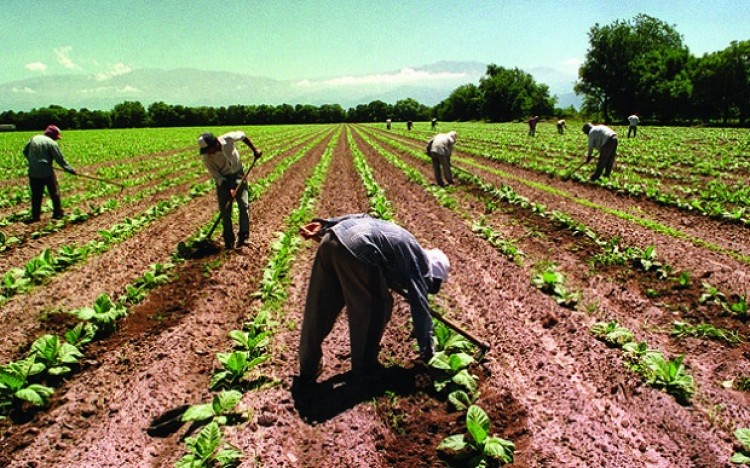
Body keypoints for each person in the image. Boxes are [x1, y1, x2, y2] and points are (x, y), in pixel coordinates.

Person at [297, 213, 450, 382]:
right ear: (432, 273)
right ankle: (365, 368)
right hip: (359, 249)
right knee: (377, 307)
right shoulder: (419, 263)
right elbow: (420, 307)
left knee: (320, 306)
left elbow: (364, 217)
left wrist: (325, 226)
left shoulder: (405, 242)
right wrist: (428, 353)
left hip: (331, 239)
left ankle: (308, 367)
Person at [198, 130, 262, 249]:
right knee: (225, 210)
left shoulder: (228, 139)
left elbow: (243, 136)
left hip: (238, 174)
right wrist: (229, 188)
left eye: (209, 149)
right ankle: (228, 240)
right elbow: (217, 176)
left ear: (215, 143)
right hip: (223, 180)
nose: (208, 153)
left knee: (244, 205)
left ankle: (243, 237)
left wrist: (254, 150)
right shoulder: (207, 158)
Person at [22, 125, 77, 224]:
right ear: (52, 135)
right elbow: (59, 159)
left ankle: (35, 216)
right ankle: (57, 214)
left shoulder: (34, 138)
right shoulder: (52, 143)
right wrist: (70, 169)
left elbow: (25, 151)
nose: (56, 139)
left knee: (36, 194)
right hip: (46, 171)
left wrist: (33, 161)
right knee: (54, 192)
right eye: (56, 137)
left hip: (33, 171)